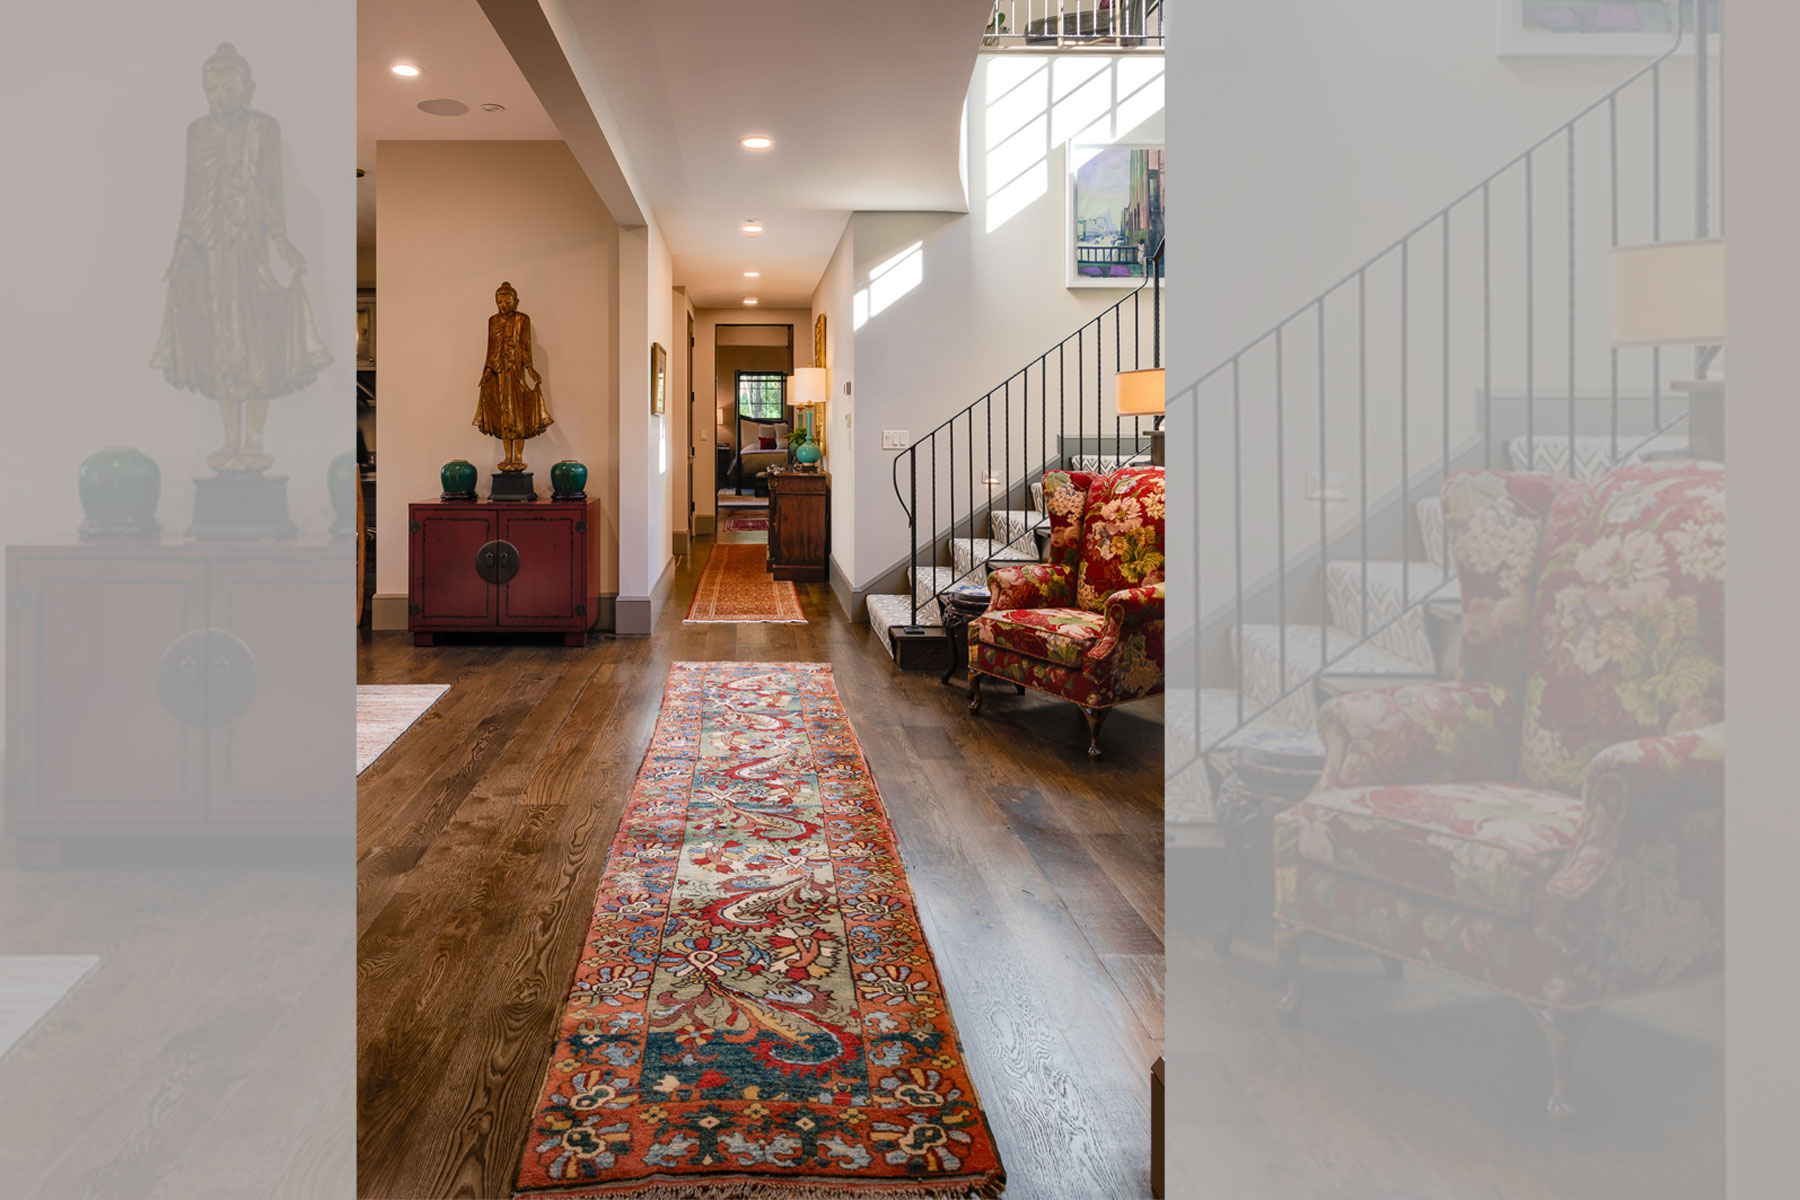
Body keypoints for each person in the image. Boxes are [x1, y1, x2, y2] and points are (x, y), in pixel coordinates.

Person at [152, 43, 331, 472]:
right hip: (213, 249)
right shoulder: (198, 131)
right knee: (223, 346)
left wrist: (281, 237)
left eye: (229, 85)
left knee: (258, 342)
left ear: (248, 87)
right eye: (212, 87)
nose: (220, 94)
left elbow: (271, 186)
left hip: (251, 244)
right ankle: (230, 439)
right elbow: (193, 192)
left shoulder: (263, 128)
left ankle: (254, 441)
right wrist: (185, 244)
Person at [471, 282, 552, 470]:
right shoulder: (493, 321)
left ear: (516, 302)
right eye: (499, 302)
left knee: (518, 413)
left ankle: (518, 456)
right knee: (503, 414)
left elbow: (525, 345)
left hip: (516, 371)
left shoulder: (522, 319)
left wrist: (530, 367)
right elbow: (491, 348)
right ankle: (507, 456)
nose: (503, 305)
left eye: (507, 301)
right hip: (499, 372)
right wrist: (487, 371)